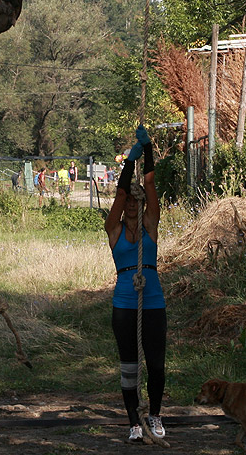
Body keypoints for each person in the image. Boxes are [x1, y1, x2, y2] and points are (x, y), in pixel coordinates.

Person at [104, 126, 167, 443]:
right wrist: (130, 160)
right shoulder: (113, 231)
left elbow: (151, 184)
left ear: (141, 204)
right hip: (124, 305)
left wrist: (150, 150)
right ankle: (133, 422)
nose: (130, 204)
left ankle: (154, 416)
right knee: (129, 367)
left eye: (135, 200)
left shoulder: (151, 228)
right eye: (127, 200)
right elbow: (118, 194)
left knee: (156, 365)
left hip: (153, 302)